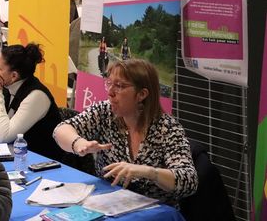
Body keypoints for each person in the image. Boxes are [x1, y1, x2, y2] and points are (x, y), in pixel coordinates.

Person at [53, 59, 198, 206]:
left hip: (154, 213)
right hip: (108, 205)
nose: (110, 93)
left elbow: (189, 181)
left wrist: (150, 172)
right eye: (109, 83)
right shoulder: (106, 111)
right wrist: (79, 143)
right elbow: (61, 130)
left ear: (141, 94)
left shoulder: (167, 128)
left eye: (119, 86)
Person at [0, 43, 65, 162]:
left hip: (43, 162)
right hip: (19, 157)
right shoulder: (6, 86)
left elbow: (5, 136)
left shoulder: (37, 96)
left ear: (14, 75)